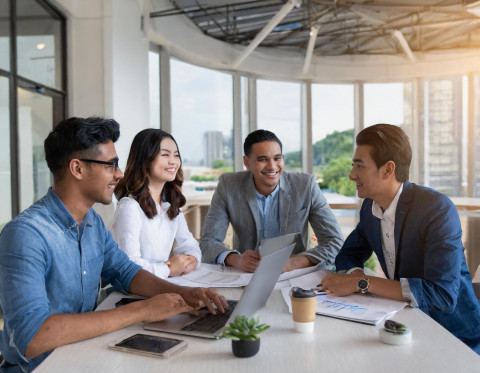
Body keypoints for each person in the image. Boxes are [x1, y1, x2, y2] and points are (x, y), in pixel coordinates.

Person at [0, 117, 227, 372]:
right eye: (111, 165)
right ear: (77, 168)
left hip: (85, 353)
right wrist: (143, 310)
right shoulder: (25, 235)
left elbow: (125, 272)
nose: (119, 174)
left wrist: (182, 294)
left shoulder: (92, 223)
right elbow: (31, 337)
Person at [321, 123, 480, 354]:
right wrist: (354, 274)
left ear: (388, 169)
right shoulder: (370, 207)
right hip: (406, 326)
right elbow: (349, 254)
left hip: (455, 337)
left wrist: (362, 283)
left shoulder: (436, 210)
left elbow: (442, 296)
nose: (351, 175)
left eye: (359, 166)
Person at [200, 129, 344, 273]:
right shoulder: (228, 185)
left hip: (294, 277)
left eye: (277, 158)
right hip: (247, 276)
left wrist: (291, 264)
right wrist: (236, 260)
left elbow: (334, 241)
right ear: (247, 162)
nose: (272, 166)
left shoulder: (306, 185)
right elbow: (208, 242)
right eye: (262, 159)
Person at [112, 129, 200, 279]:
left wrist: (192, 259)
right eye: (165, 155)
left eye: (176, 155)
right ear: (145, 159)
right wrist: (169, 269)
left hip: (161, 287)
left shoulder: (170, 204)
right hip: (135, 294)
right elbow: (129, 265)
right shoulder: (129, 206)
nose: (173, 161)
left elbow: (188, 244)